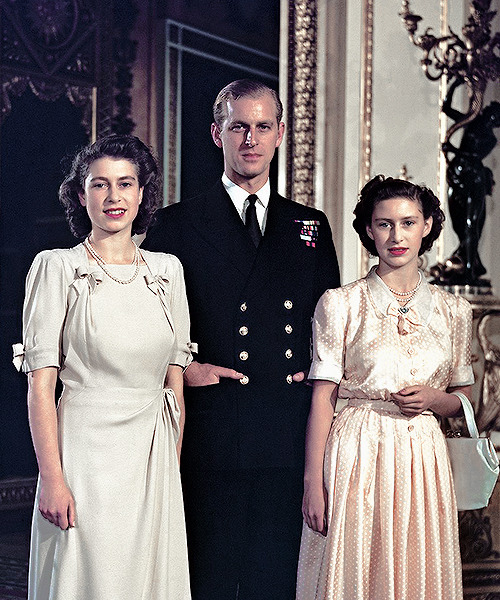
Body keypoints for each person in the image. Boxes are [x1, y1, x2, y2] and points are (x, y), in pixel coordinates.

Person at [143, 79, 340, 600]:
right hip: (212, 429)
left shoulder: (310, 226)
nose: (249, 139)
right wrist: (182, 370)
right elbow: (144, 327)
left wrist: (318, 370)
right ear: (216, 134)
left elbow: (331, 326)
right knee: (207, 575)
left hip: (284, 426)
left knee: (275, 578)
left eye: (261, 127)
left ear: (279, 135)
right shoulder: (176, 225)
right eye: (237, 127)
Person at [13, 135, 192, 599]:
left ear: (141, 194)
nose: (114, 197)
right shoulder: (55, 268)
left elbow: (175, 384)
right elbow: (40, 385)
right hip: (84, 458)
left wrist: (168, 469)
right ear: (80, 194)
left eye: (126, 184)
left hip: (152, 458)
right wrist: (52, 478)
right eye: (100, 185)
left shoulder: (167, 271)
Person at [297, 175, 474, 600]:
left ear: (428, 226)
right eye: (384, 224)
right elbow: (322, 398)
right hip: (357, 454)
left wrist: (435, 399)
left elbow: (465, 401)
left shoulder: (455, 311)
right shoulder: (341, 303)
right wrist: (312, 482)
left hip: (424, 460)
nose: (397, 236)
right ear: (369, 230)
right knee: (357, 570)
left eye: (408, 223)